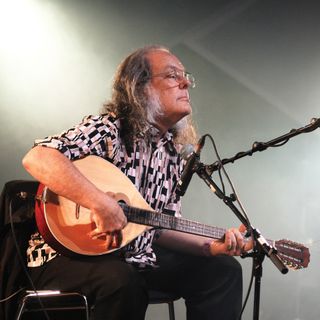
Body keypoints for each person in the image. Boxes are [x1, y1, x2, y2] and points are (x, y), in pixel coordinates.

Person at [22, 45, 251, 320]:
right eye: (171, 75)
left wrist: (211, 246)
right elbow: (39, 157)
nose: (185, 82)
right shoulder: (109, 130)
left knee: (222, 270)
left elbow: (161, 227)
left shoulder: (171, 154)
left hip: (134, 258)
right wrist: (100, 203)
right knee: (122, 280)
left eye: (186, 76)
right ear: (139, 88)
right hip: (66, 255)